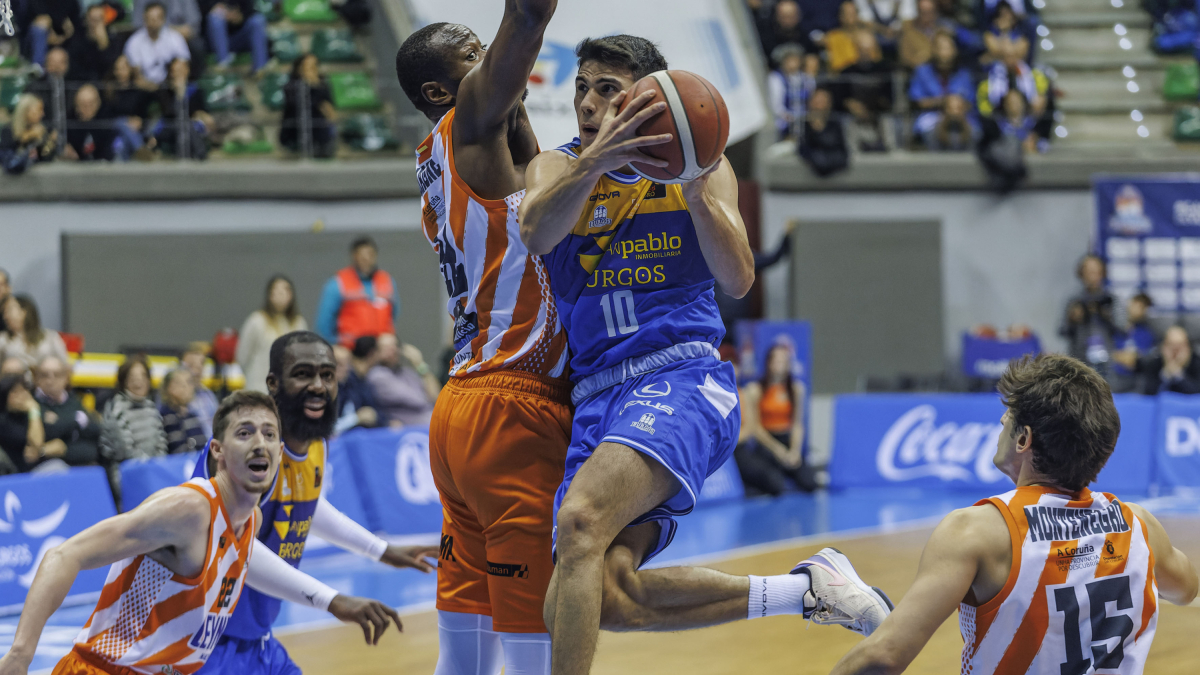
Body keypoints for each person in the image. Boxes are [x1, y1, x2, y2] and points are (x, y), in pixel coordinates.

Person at [518, 35, 892, 675]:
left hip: (681, 375)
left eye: (607, 89)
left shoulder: (704, 166)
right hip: (596, 397)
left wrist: (694, 191)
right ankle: (806, 590)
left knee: (580, 522)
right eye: (582, 87)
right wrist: (594, 162)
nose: (586, 102)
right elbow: (536, 231)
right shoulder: (556, 166)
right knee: (595, 596)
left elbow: (740, 277)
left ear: (647, 100)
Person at [829, 353, 1199, 675]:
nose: (1001, 423)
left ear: (1024, 439)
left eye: (1008, 416)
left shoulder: (977, 532)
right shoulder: (1139, 527)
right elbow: (1185, 590)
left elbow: (884, 656)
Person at [396, 7, 573, 671]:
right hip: (511, 409)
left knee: (465, 657)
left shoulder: (474, 152)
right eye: (475, 53)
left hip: (466, 406)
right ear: (443, 93)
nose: (496, 57)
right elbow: (526, 18)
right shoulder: (467, 119)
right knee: (535, 646)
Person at [0, 390, 409, 675]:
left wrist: (332, 602)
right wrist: (20, 655)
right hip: (105, 670)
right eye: (244, 433)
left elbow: (251, 565)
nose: (259, 444)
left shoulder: (250, 521)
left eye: (269, 434)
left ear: (280, 454)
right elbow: (64, 555)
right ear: (217, 451)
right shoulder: (189, 510)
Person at [192, 331, 438, 675]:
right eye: (303, 374)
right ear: (273, 383)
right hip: (202, 646)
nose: (319, 385)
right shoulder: (248, 451)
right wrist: (332, 600)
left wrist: (381, 550)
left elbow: (306, 504)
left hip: (258, 642)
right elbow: (236, 545)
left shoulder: (312, 443)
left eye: (327, 374)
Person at [735, 340, 819, 496]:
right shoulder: (756, 390)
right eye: (777, 360)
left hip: (786, 440)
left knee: (810, 483)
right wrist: (777, 450)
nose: (781, 364)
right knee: (775, 485)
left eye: (784, 361)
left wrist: (794, 451)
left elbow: (797, 424)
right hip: (767, 443)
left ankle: (789, 469)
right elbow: (756, 428)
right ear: (769, 362)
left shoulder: (796, 389)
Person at [99, 355, 168, 507]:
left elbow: (161, 442)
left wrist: (158, 467)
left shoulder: (151, 407)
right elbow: (125, 451)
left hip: (152, 471)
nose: (139, 381)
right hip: (126, 474)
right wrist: (150, 471)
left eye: (143, 376)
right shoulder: (116, 409)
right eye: (133, 377)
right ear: (124, 381)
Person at [315, 237, 399, 348]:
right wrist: (336, 344)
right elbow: (324, 323)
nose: (366, 259)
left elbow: (394, 314)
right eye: (362, 256)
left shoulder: (387, 281)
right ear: (354, 256)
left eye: (370, 255)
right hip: (349, 349)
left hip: (381, 349)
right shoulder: (337, 283)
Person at [237, 274, 309, 394]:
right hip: (259, 388)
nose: (281, 294)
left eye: (285, 290)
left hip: (289, 391)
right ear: (269, 294)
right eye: (276, 290)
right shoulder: (256, 321)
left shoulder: (299, 323)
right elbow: (242, 357)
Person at [909, 29, 974, 145]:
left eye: (947, 47)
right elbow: (917, 101)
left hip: (960, 116)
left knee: (975, 131)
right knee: (928, 131)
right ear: (933, 49)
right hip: (931, 115)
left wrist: (955, 108)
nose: (943, 52)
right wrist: (945, 102)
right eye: (940, 47)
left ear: (955, 50)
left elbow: (970, 102)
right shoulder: (922, 72)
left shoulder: (964, 74)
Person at [33, 355, 100, 467]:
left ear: (66, 377)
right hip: (46, 467)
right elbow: (51, 431)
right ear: (37, 378)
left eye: (57, 375)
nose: (50, 380)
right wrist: (75, 420)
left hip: (79, 463)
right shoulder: (33, 403)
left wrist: (64, 449)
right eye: (44, 375)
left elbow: (94, 433)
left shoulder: (74, 401)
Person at [1059, 254, 1118, 374]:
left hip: (1106, 361)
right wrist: (1072, 320)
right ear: (1081, 274)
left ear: (1103, 274)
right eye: (1089, 272)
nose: (1093, 277)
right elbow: (1062, 331)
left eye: (1096, 272)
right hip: (1079, 360)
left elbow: (1124, 329)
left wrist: (1107, 316)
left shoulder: (1111, 299)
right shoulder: (1073, 300)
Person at [366, 333, 439, 428]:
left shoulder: (406, 372)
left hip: (429, 421)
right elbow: (418, 400)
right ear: (376, 352)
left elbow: (436, 397)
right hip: (412, 427)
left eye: (395, 346)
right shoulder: (377, 375)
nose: (393, 350)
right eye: (386, 348)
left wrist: (420, 364)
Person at [1111, 324, 1200, 395]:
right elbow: (1147, 393)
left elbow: (1196, 393)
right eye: (1171, 346)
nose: (1175, 352)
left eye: (1180, 347)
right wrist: (1166, 375)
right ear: (1163, 347)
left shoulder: (1197, 363)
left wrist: (1178, 375)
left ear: (1189, 348)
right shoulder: (1154, 363)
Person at [152, 57, 212, 159]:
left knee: (187, 127)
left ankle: (188, 158)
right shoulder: (165, 91)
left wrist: (198, 114)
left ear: (187, 71)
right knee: (184, 126)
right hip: (169, 126)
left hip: (191, 124)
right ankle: (201, 156)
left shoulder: (195, 90)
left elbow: (200, 110)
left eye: (180, 71)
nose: (177, 74)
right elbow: (169, 113)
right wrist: (179, 96)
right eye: (175, 71)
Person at [280, 53, 338, 158]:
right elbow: (301, 107)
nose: (313, 69)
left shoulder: (323, 85)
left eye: (315, 66)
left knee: (327, 124)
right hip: (296, 128)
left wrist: (315, 85)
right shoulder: (291, 86)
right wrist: (312, 85)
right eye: (308, 66)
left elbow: (329, 109)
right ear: (299, 68)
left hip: (319, 128)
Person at [123, 1, 191, 87]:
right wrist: (153, 87)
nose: (154, 22)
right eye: (151, 18)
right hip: (144, 88)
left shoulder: (175, 38)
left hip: (169, 85)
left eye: (157, 18)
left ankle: (181, 100)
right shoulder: (134, 42)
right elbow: (137, 76)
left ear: (164, 19)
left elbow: (184, 63)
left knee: (180, 74)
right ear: (144, 19)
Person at [132, 0, 205, 76]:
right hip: (147, 39)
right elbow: (138, 26)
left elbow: (193, 27)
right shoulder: (135, 41)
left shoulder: (174, 38)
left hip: (182, 38)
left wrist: (165, 31)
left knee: (196, 46)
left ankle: (192, 82)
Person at [103, 55, 153, 159]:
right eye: (117, 69)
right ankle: (140, 149)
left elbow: (144, 112)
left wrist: (140, 121)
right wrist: (127, 121)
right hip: (113, 126)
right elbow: (107, 114)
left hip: (131, 131)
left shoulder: (137, 91)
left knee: (123, 142)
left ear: (130, 69)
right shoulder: (110, 90)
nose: (119, 72)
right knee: (121, 123)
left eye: (123, 68)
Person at [0, 294, 68, 370]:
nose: (5, 316)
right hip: (13, 381)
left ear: (24, 311)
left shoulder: (50, 337)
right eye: (4, 312)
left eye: (9, 310)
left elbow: (64, 365)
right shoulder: (3, 340)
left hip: (46, 379)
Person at [200, 0, 267, 73]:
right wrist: (214, 9)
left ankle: (260, 69)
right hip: (216, 41)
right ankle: (223, 65)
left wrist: (239, 16)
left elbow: (251, 10)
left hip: (240, 37)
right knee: (215, 19)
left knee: (258, 20)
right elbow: (199, 13)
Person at [767, 43, 817, 141]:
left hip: (805, 122)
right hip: (785, 124)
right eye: (789, 60)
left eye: (795, 59)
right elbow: (776, 106)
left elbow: (812, 98)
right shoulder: (775, 78)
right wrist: (791, 118)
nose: (792, 63)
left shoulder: (806, 78)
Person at [0, 94, 57, 174]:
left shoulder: (42, 130)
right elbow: (6, 155)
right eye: (39, 110)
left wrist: (49, 142)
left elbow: (47, 156)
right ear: (26, 111)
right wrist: (24, 138)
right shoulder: (8, 129)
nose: (42, 114)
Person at [798, 87, 849, 177]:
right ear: (810, 103)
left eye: (823, 101)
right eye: (817, 102)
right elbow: (804, 151)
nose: (819, 106)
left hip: (837, 177)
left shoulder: (836, 124)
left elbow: (843, 154)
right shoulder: (802, 126)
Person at [0, 374, 45, 474]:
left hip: (35, 470)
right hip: (15, 474)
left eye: (24, 390)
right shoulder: (3, 421)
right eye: (15, 392)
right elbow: (36, 443)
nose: (23, 395)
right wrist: (33, 410)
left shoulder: (27, 416)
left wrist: (44, 450)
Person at [333, 337, 378, 434]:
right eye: (338, 364)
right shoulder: (322, 393)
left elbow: (372, 408)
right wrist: (356, 418)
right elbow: (327, 430)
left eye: (346, 364)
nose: (344, 369)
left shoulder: (351, 384)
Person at [64, 84, 119, 162]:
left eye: (91, 104)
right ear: (76, 106)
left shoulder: (107, 121)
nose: (87, 108)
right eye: (83, 105)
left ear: (98, 103)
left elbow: (109, 150)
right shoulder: (70, 122)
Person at [17, 0, 80, 67]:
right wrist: (50, 32)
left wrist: (63, 36)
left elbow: (75, 23)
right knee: (40, 25)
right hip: (36, 40)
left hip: (66, 39)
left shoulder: (71, 2)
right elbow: (40, 16)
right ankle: (38, 67)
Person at [68, 4, 122, 82]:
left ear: (105, 21)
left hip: (106, 85)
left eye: (99, 19)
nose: (96, 24)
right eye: (93, 19)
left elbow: (112, 69)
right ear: (86, 20)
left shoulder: (114, 40)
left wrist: (103, 45)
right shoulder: (78, 41)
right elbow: (75, 70)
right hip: (84, 83)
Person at [160, 367, 207, 453]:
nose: (187, 387)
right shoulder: (163, 418)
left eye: (189, 382)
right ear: (169, 388)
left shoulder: (193, 416)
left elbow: (203, 446)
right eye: (180, 383)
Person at [181, 341, 219, 438]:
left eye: (201, 364)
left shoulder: (208, 395)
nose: (197, 370)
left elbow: (220, 424)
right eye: (192, 365)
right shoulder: (176, 398)